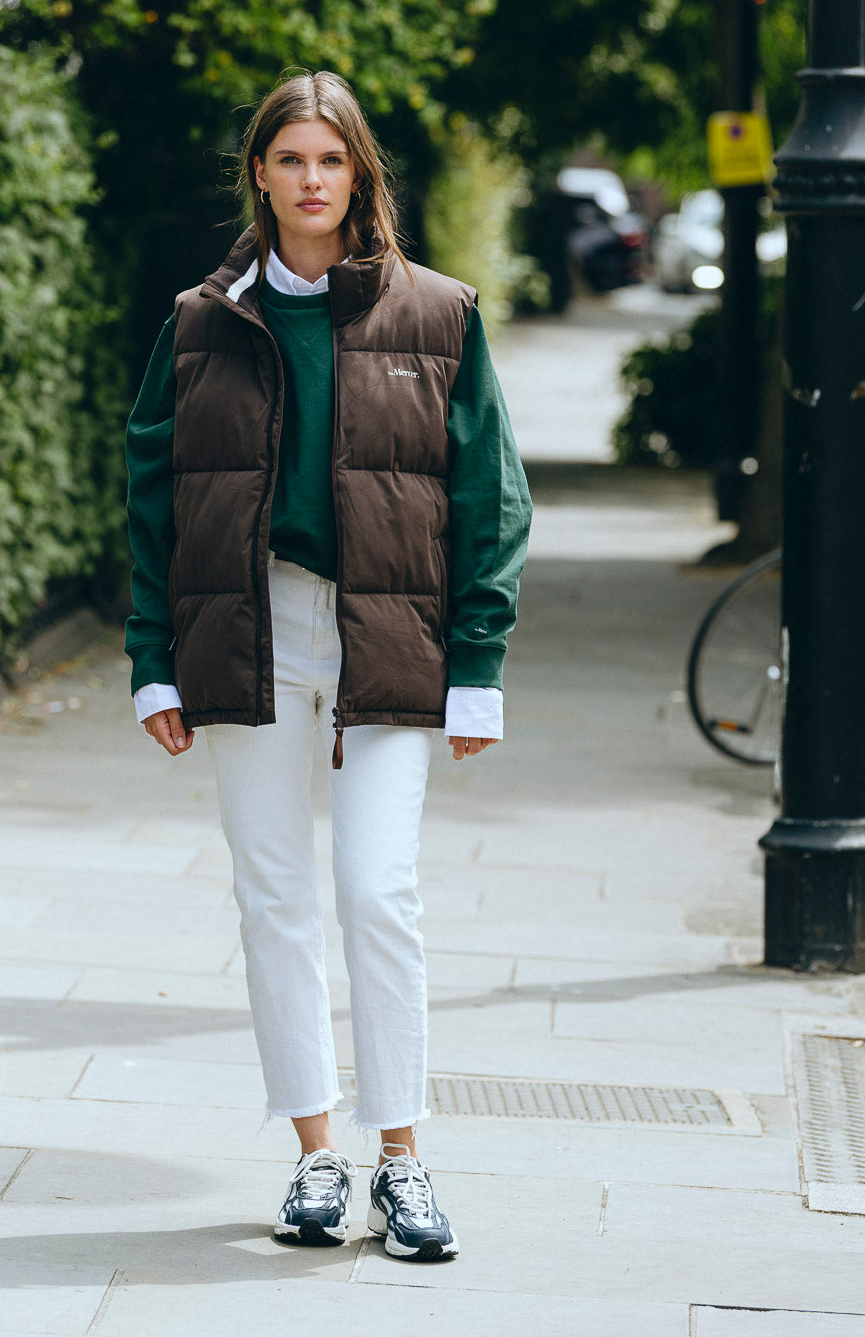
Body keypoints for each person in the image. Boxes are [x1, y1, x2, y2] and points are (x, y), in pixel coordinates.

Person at [124, 68, 532, 1263]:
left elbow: (491, 498)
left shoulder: (439, 314)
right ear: (260, 172)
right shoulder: (201, 322)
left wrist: (477, 663)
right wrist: (154, 660)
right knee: (274, 897)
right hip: (249, 630)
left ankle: (402, 1159)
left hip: (389, 633)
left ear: (361, 174)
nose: (313, 180)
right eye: (292, 159)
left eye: (332, 160)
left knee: (376, 890)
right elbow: (152, 498)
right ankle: (315, 1155)